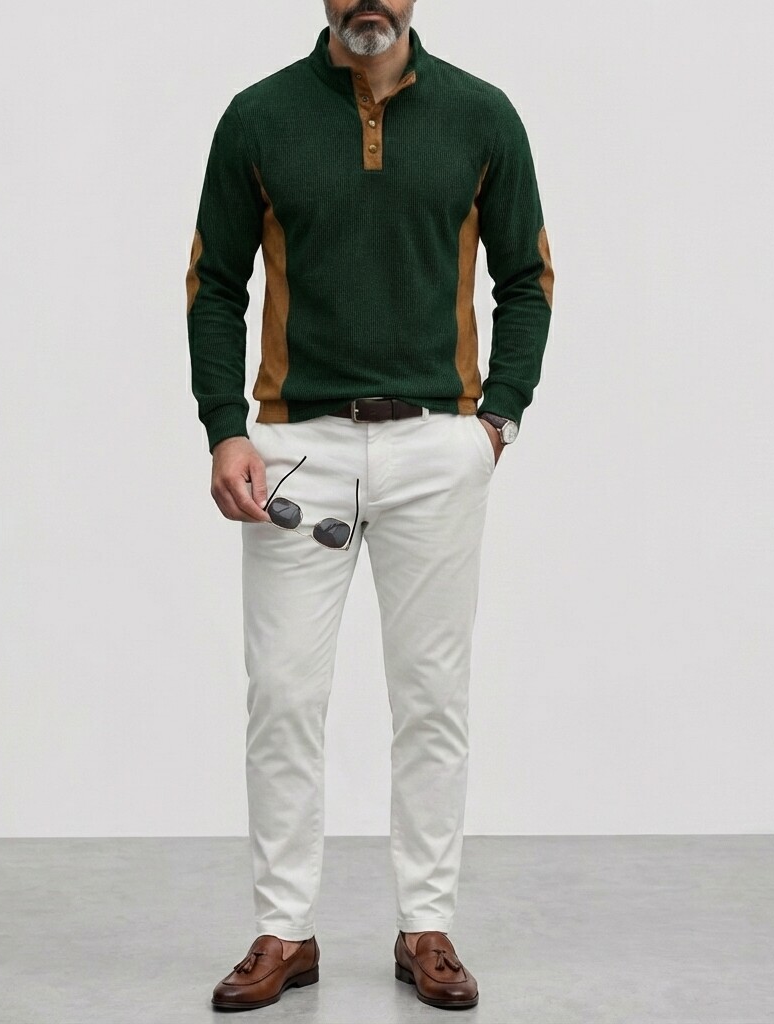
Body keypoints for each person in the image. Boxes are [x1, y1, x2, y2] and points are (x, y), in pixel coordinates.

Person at [185, 0, 553, 1011]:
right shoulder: (259, 118)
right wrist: (224, 427)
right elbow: (214, 284)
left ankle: (426, 923)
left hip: (437, 444)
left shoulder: (482, 117)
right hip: (294, 447)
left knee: (431, 694)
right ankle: (283, 930)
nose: (368, 2)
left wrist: (496, 422)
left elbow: (526, 277)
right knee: (283, 695)